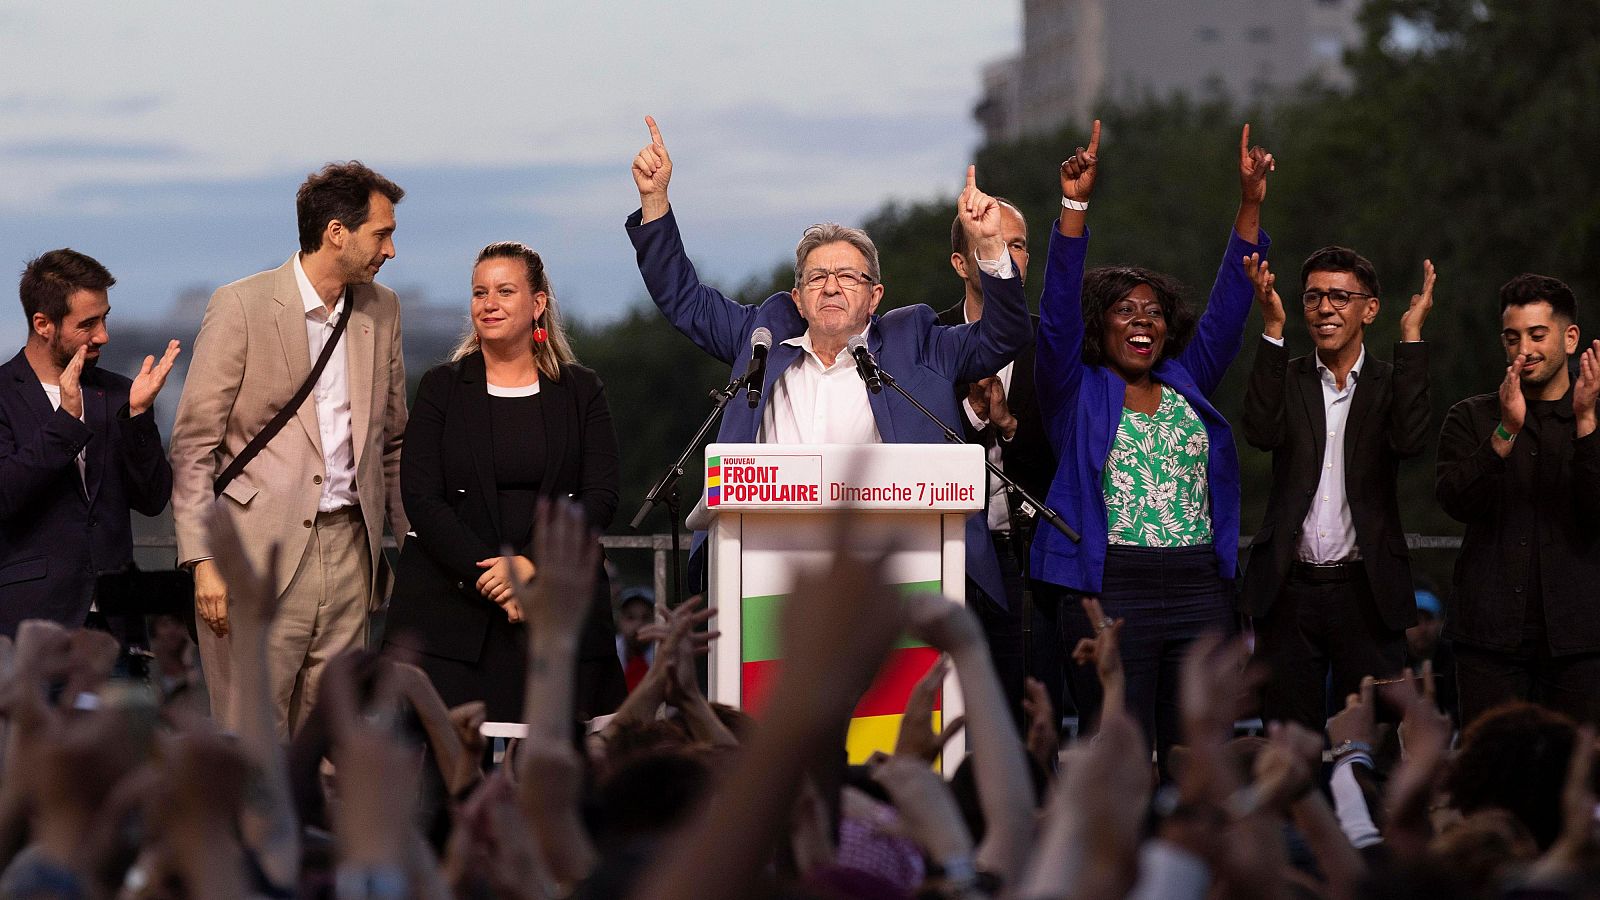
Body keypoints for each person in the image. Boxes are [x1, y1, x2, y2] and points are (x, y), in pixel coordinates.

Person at [625, 116, 1030, 612]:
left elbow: (1005, 334)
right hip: (765, 569)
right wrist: (655, 202)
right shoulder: (762, 338)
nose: (832, 287)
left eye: (848, 276)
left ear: (875, 295)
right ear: (797, 297)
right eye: (817, 277)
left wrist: (990, 247)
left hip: (897, 568)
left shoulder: (918, 341)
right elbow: (683, 299)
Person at [1031, 120, 1273, 765]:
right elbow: (1055, 315)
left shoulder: (1188, 382)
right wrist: (1074, 207)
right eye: (1125, 310)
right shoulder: (1073, 390)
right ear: (1100, 326)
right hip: (1112, 588)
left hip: (1200, 588)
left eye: (1155, 312)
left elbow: (1227, 309)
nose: (1144, 320)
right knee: (1119, 753)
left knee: (1203, 756)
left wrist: (1250, 204)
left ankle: (1196, 868)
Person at [169, 161, 410, 736]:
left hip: (354, 551)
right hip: (253, 557)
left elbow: (393, 442)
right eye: (382, 233)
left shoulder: (383, 308)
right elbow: (193, 447)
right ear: (336, 232)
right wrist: (203, 562)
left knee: (334, 741)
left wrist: (409, 549)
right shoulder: (241, 306)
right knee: (253, 741)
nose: (391, 250)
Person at [382, 241, 624, 723]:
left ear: (538, 304)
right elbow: (422, 498)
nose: (488, 303)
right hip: (454, 609)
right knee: (447, 777)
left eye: (504, 291)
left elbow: (601, 495)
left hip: (554, 604)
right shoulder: (441, 387)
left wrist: (533, 566)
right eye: (479, 292)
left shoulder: (581, 390)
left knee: (560, 776)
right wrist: (495, 578)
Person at [1239, 247, 1436, 731]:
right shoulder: (1287, 376)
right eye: (1313, 297)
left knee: (1375, 738)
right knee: (1288, 743)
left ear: (1370, 308)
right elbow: (1259, 433)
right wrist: (1272, 329)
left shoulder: (1392, 382)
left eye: (1340, 297)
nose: (1325, 308)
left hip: (1367, 592)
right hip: (1289, 590)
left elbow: (1411, 442)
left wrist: (1411, 338)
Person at [1436, 273, 1600, 727]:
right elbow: (1454, 501)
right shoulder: (1471, 416)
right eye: (1512, 338)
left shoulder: (1595, 414)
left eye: (1536, 335)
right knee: (1491, 778)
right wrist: (1505, 431)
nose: (1523, 348)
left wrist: (1585, 423)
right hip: (1488, 638)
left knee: (1577, 781)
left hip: (1581, 640)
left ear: (1570, 339)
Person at [0, 249, 180, 636]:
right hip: (32, 627)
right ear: (43, 324)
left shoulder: (119, 393)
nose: (104, 335)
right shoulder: (2, 395)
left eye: (105, 318)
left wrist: (137, 418)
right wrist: (65, 421)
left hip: (118, 623)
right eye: (88, 323)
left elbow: (152, 500)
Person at [936, 201, 1062, 727]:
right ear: (962, 264)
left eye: (1015, 246)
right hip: (948, 557)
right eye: (989, 247)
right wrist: (969, 414)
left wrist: (1008, 425)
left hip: (1028, 561)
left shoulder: (1050, 341)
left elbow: (1064, 452)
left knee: (1028, 719)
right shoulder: (929, 341)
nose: (1005, 258)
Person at [616, 586, 657, 693]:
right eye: (630, 617)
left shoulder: (666, 654)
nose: (638, 625)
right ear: (620, 620)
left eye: (646, 617)